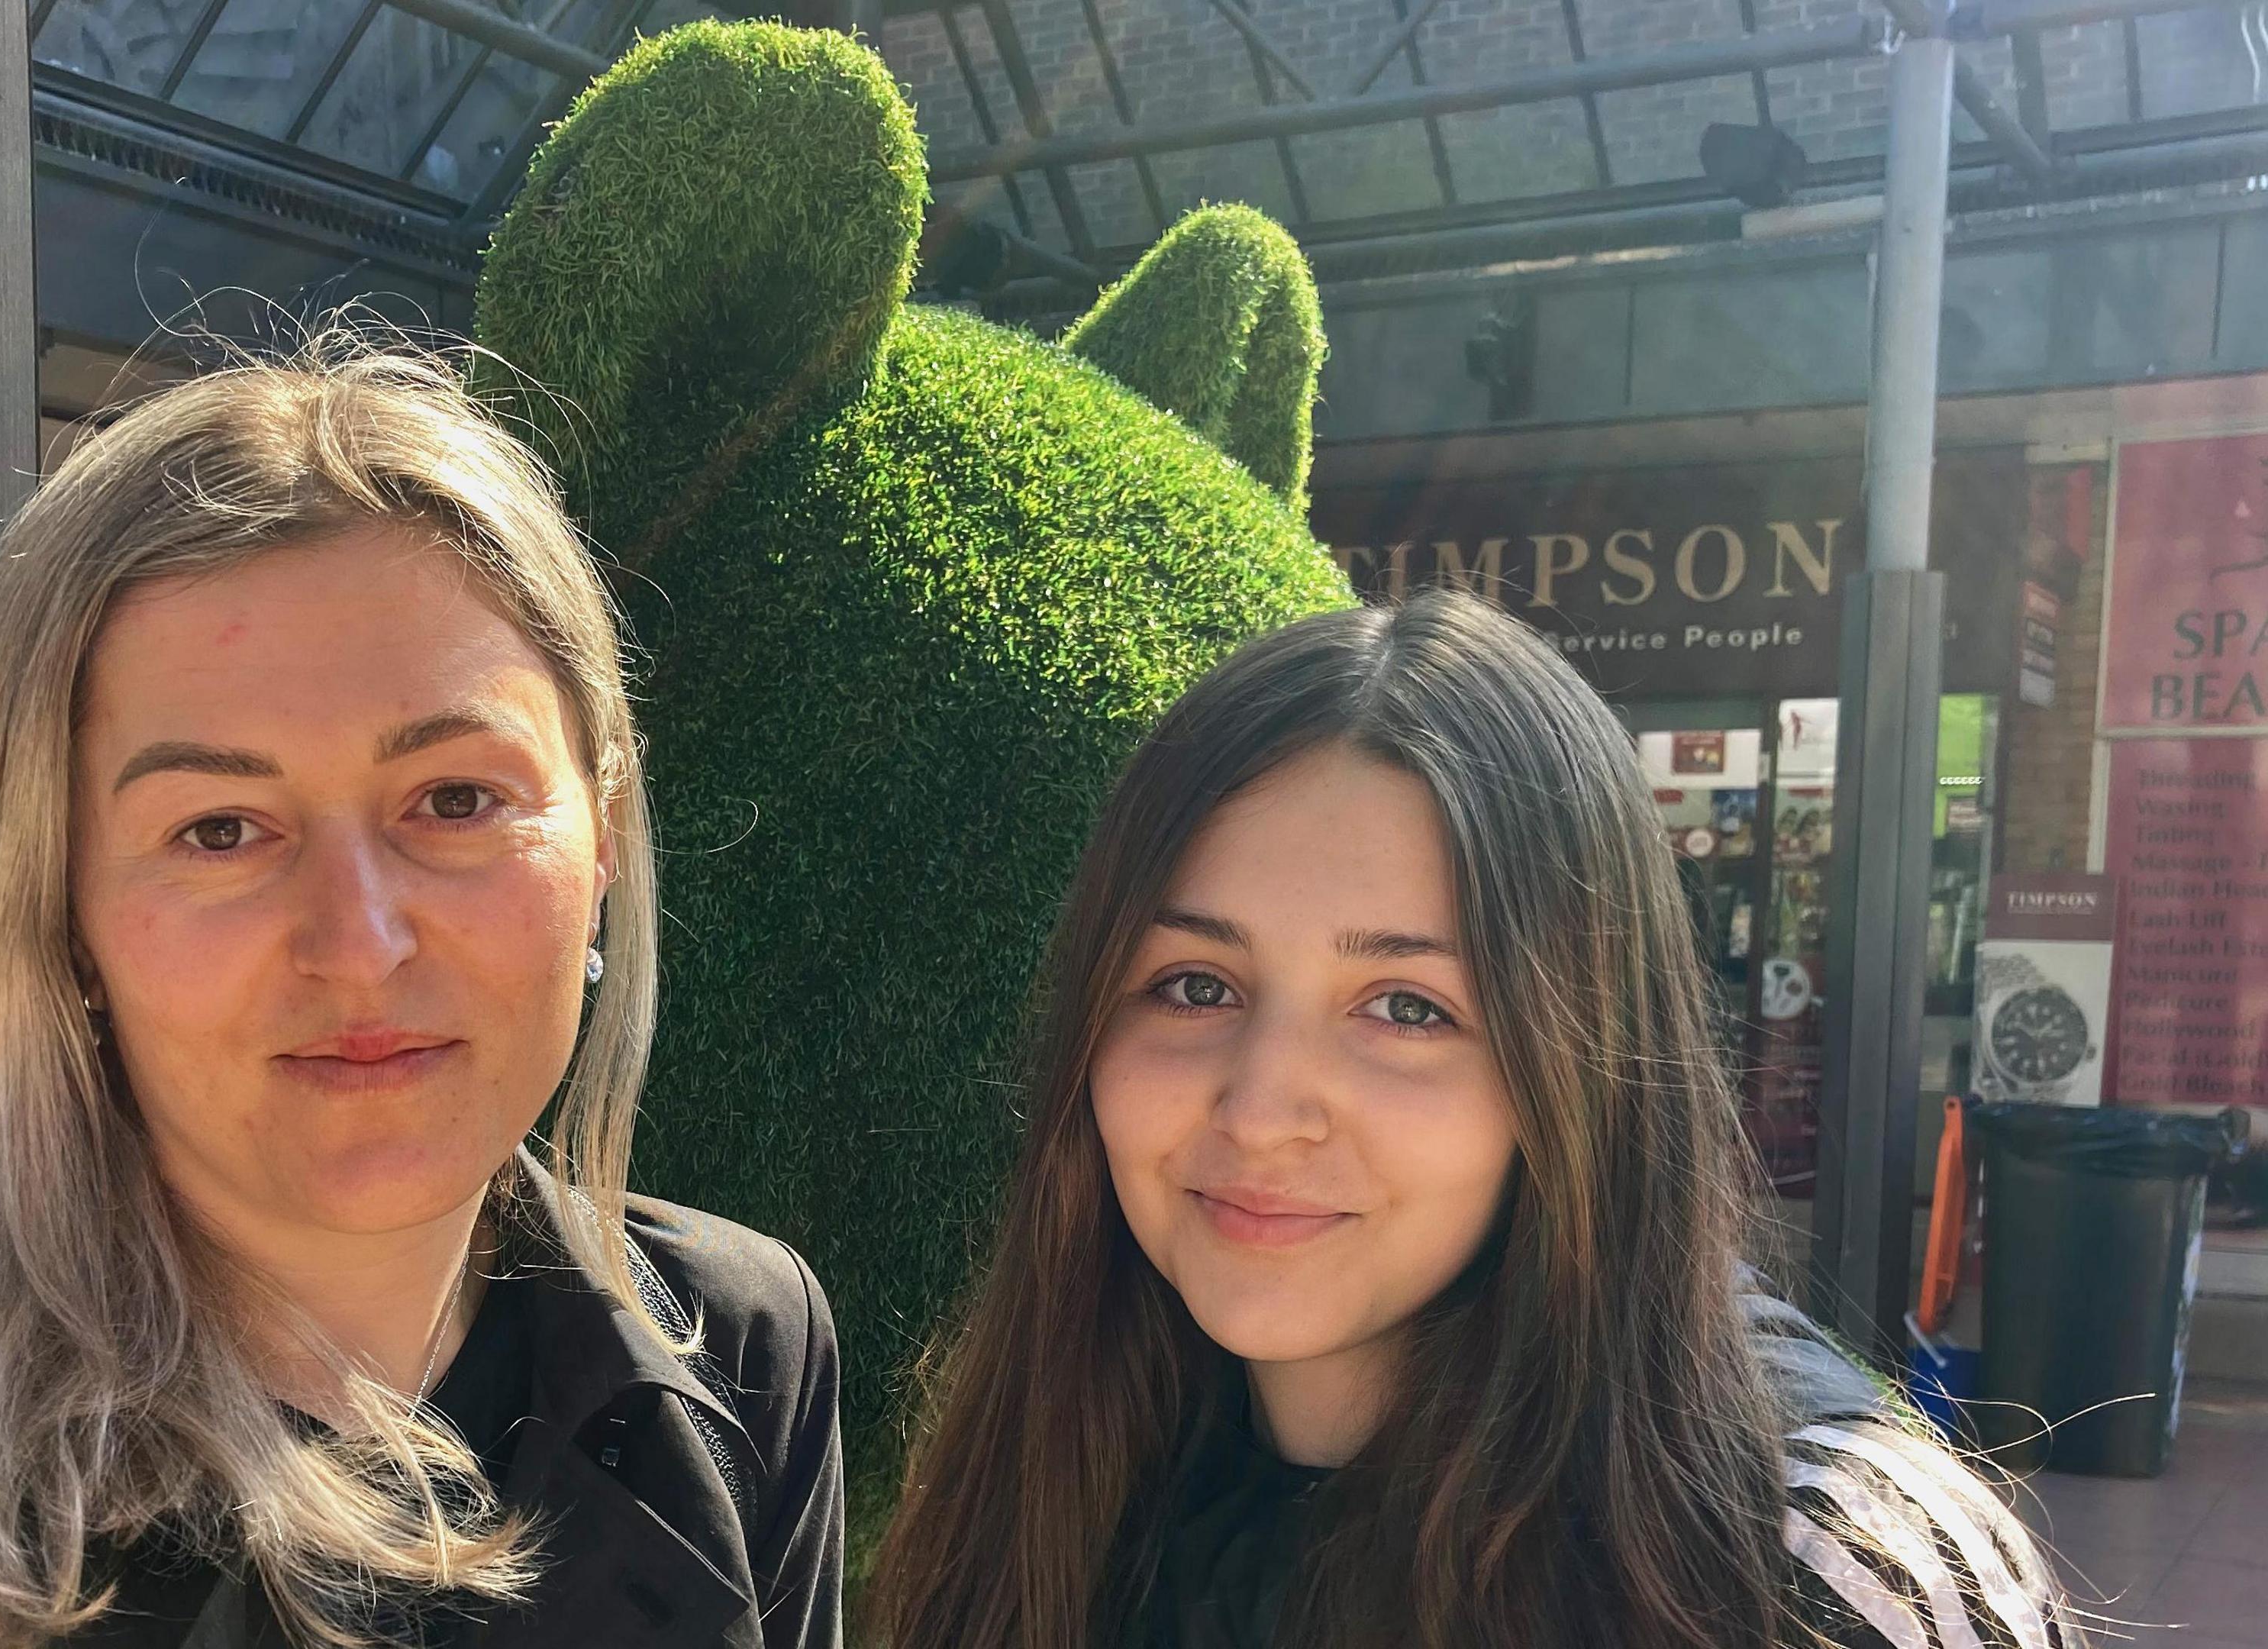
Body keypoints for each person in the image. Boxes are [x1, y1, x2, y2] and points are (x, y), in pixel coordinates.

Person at [0, 342, 844, 1649]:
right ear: (58, 901)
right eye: (220, 828)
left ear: (602, 837)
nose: (359, 943)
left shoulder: (739, 1353)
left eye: (455, 800)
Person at [868, 592, 2080, 1649]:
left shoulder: (1811, 1569)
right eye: (1196, 986)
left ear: (1581, 1060)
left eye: (1406, 1007)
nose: (1262, 1108)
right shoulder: (1045, 1490)